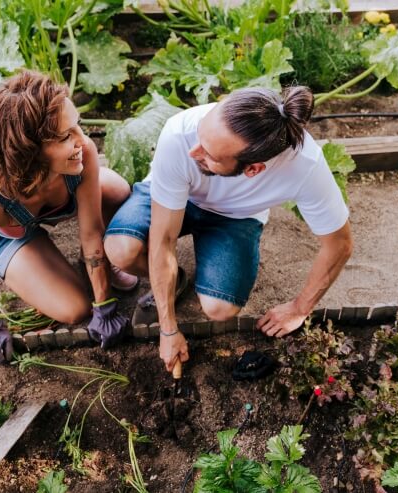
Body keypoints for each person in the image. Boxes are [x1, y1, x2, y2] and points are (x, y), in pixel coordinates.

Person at [104, 86, 354, 373]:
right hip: (175, 197)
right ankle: (177, 280)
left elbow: (340, 244)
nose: (193, 151)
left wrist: (300, 308)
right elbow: (164, 240)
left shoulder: (306, 168)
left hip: (234, 217)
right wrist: (168, 329)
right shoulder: (180, 133)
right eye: (200, 136)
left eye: (208, 154)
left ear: (253, 169)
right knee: (121, 250)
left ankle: (197, 262)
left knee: (219, 309)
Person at [0, 70, 137, 363]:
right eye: (65, 136)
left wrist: (105, 303)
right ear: (29, 151)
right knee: (74, 309)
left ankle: (106, 266)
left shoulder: (82, 151)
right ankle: (28, 255)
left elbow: (90, 234)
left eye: (78, 126)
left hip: (54, 197)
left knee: (116, 189)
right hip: (7, 233)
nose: (83, 140)